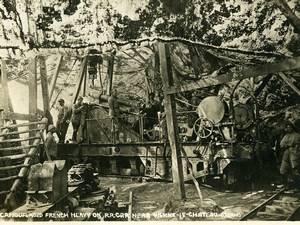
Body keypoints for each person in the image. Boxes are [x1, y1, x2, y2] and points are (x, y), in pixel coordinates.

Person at [278, 122, 300, 189]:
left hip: (294, 154)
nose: (288, 128)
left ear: (292, 128)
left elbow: (297, 144)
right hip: (286, 153)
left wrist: (291, 146)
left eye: (290, 127)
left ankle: (297, 186)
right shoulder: (285, 136)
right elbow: (282, 144)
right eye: (287, 127)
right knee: (283, 169)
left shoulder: (297, 135)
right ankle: (286, 184)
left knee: (295, 169)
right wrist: (286, 145)